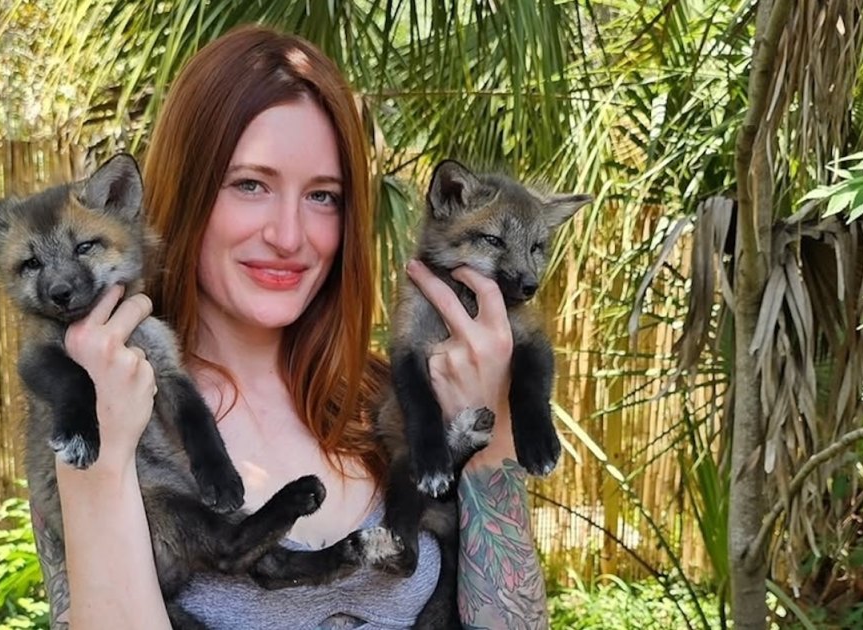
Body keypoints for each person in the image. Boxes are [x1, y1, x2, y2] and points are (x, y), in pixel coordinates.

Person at [33, 24, 550, 630]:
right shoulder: (94, 414)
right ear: (188, 190)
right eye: (250, 185)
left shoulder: (390, 403)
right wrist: (103, 455)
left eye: (322, 196)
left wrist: (494, 432)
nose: (287, 235)